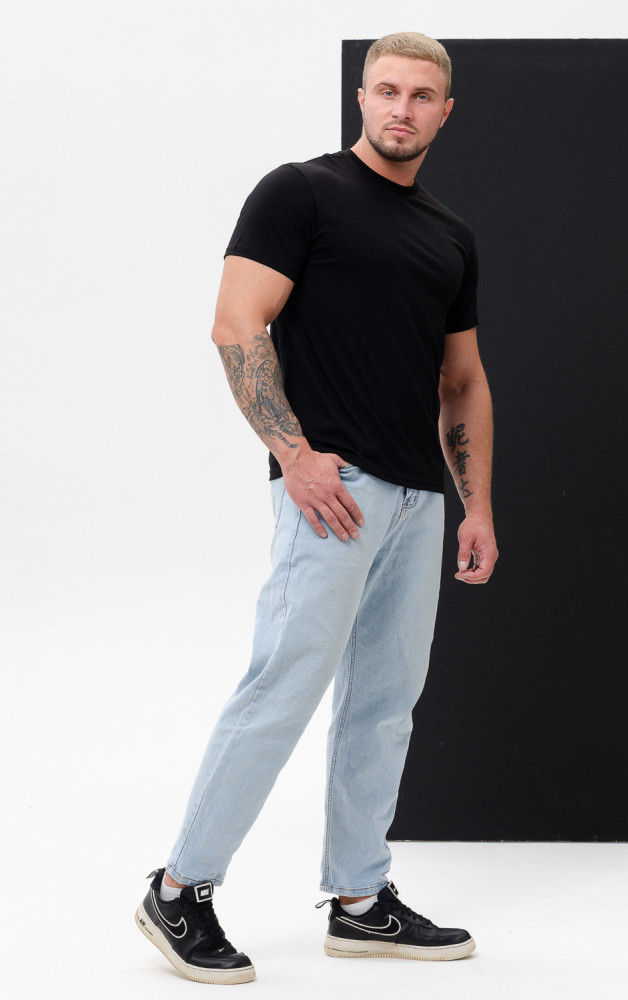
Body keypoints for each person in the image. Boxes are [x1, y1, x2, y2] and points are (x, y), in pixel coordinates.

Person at [135, 31, 498, 985]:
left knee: (383, 706)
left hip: (418, 500)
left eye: (421, 95)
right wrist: (293, 457)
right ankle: (178, 889)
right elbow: (236, 323)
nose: (402, 108)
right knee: (282, 688)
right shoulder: (300, 192)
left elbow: (461, 380)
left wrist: (475, 506)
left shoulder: (449, 236)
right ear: (361, 97)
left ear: (444, 111)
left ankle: (358, 900)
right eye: (387, 90)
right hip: (333, 494)